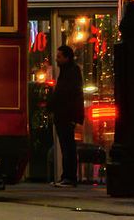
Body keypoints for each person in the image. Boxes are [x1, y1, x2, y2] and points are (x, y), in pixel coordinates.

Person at [47, 44, 85, 187]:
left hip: (66, 115)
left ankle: (69, 177)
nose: (56, 59)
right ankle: (67, 176)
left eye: (59, 57)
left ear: (67, 58)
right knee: (66, 146)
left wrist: (50, 105)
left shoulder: (70, 73)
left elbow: (64, 94)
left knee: (67, 146)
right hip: (66, 114)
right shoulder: (69, 71)